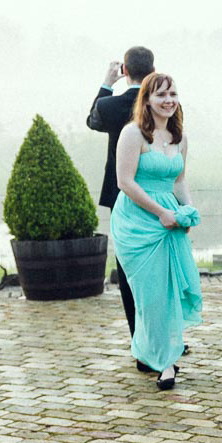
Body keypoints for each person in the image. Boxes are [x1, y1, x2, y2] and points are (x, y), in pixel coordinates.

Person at [109, 73, 203, 391]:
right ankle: (163, 361)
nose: (168, 100)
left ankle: (163, 357)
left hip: (170, 220)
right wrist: (161, 212)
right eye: (160, 94)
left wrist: (186, 211)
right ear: (146, 99)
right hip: (137, 222)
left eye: (173, 93)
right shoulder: (133, 133)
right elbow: (125, 182)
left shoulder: (179, 136)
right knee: (150, 295)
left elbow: (179, 181)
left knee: (168, 291)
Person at [88, 45, 154, 359]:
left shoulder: (113, 106)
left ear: (125, 71)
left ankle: (140, 341)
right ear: (153, 70)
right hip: (158, 193)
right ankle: (165, 336)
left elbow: (92, 119)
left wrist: (106, 82)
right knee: (158, 269)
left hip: (123, 195)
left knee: (128, 271)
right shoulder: (160, 102)